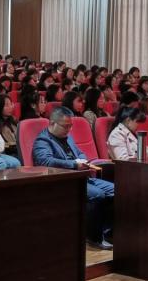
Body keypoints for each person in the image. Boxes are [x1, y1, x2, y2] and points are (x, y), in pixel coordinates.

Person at [33, 107, 114, 250]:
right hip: (64, 182)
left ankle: (106, 231)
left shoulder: (67, 137)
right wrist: (74, 164)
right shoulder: (42, 141)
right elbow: (45, 162)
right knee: (97, 195)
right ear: (52, 123)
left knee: (115, 190)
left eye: (71, 126)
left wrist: (82, 160)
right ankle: (92, 236)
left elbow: (80, 153)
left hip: (82, 177)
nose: (69, 129)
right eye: (66, 126)